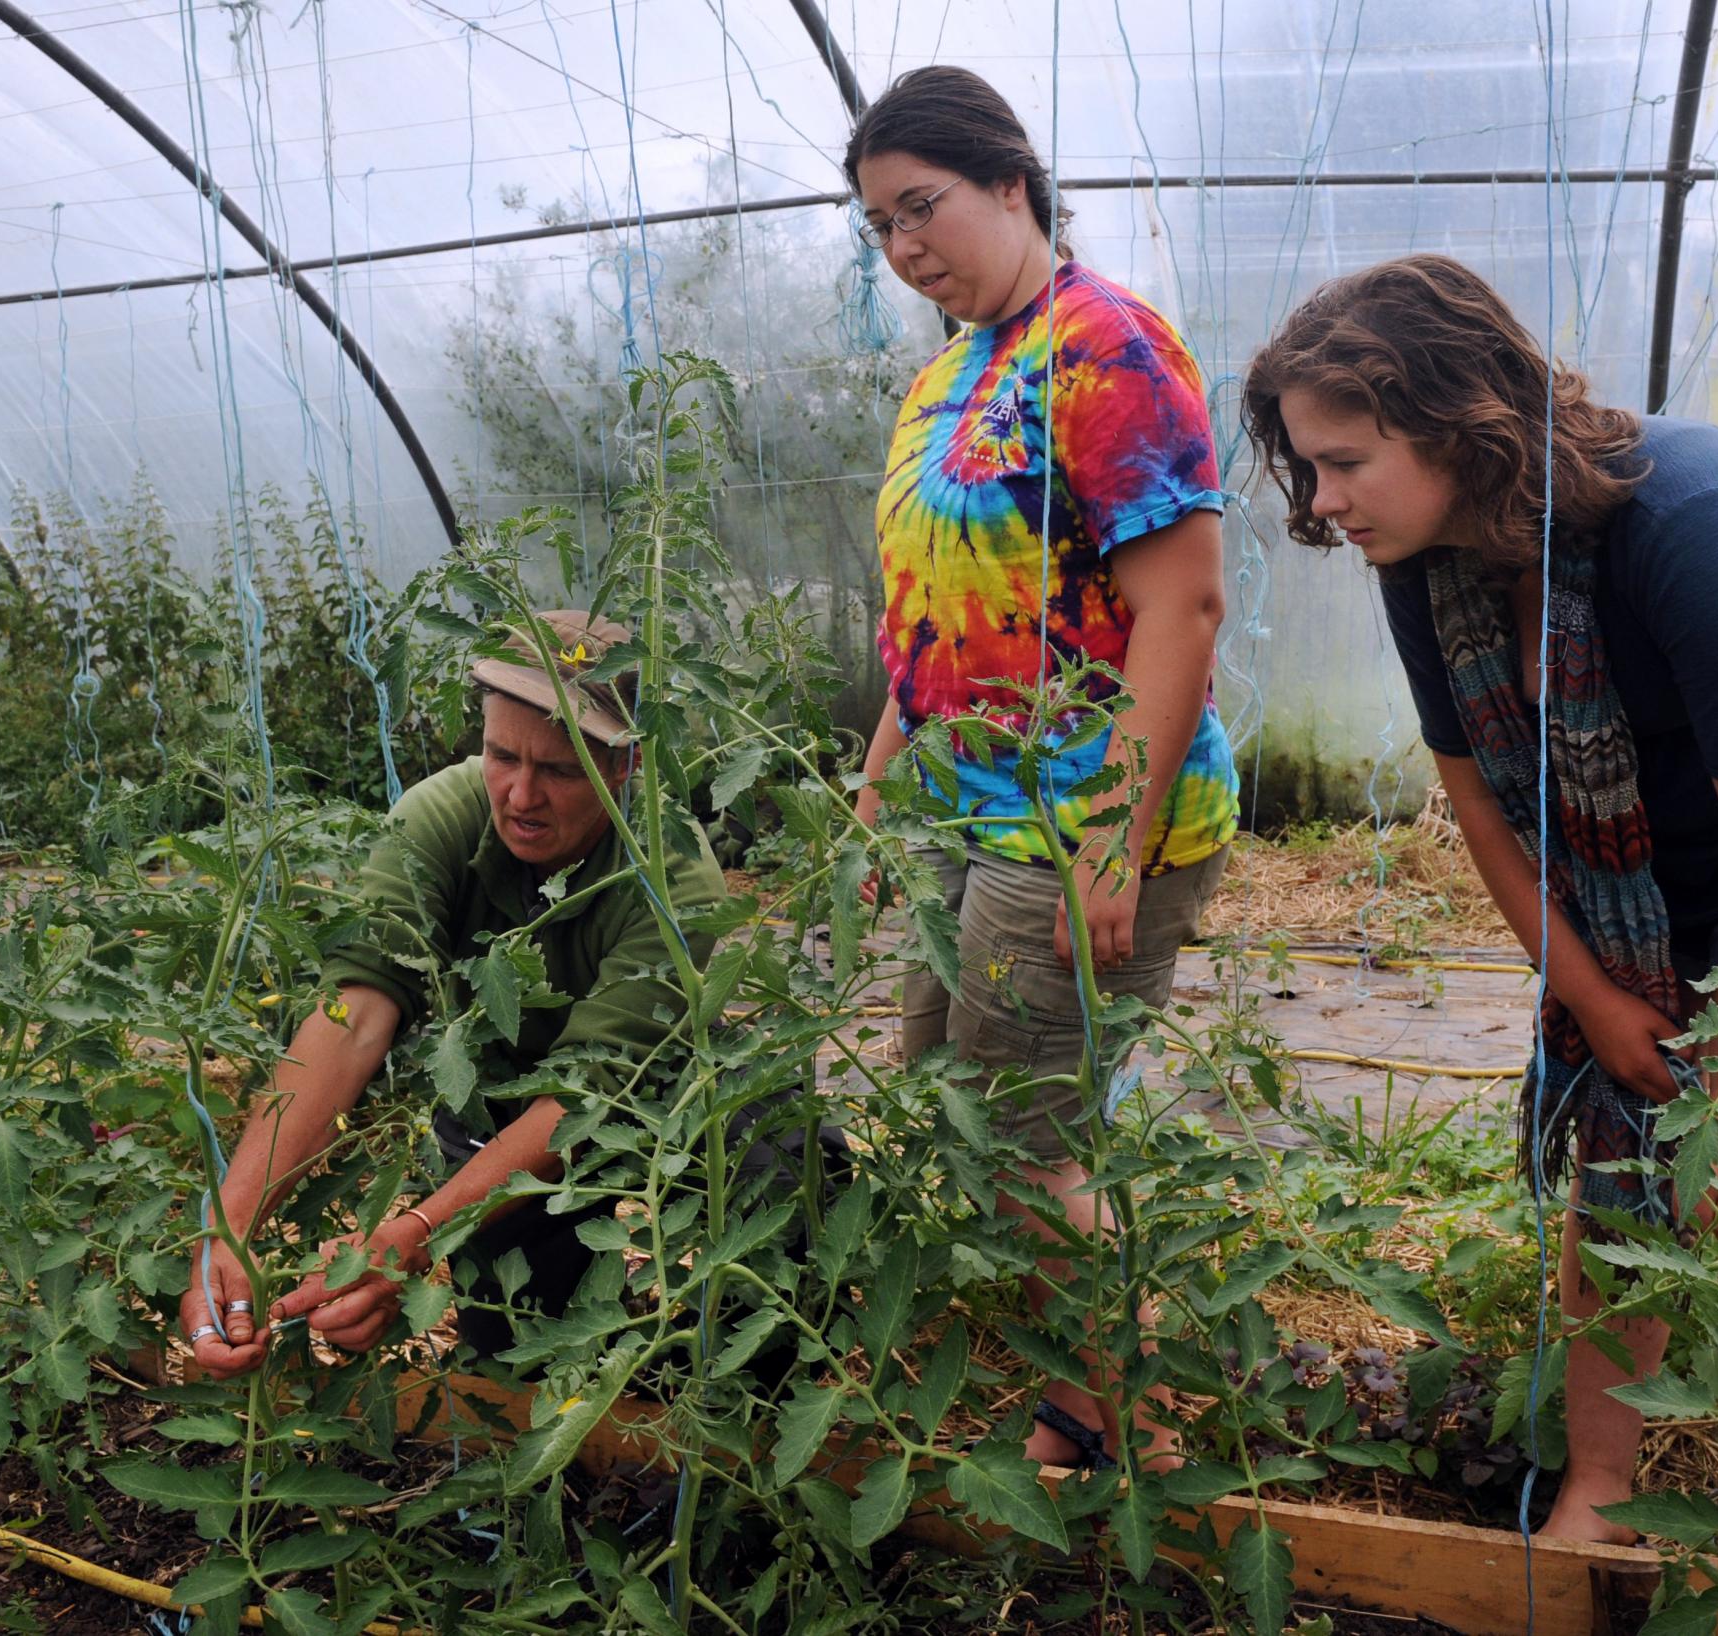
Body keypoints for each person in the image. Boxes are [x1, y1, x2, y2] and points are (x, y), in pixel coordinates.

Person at [1241, 255, 1718, 1544]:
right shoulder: (1428, 561)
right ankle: (1601, 1487)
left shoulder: (1687, 524)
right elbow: (1476, 802)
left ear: (1462, 421)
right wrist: (1596, 999)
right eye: (1307, 466)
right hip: (1651, 846)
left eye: (1344, 459)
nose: (1322, 498)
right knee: (1621, 1141)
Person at [842, 66, 1239, 1471]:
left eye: (924, 206)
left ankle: (1115, 1415)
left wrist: (1114, 839)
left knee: (1023, 1127)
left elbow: (1180, 606)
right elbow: (930, 613)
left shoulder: (1104, 349)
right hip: (962, 809)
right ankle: (1078, 1359)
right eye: (881, 224)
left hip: (1074, 816)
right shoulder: (950, 375)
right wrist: (880, 775)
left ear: (1013, 183)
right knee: (953, 1081)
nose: (904, 246)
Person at [176, 612, 729, 1380]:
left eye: (561, 771)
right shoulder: (440, 818)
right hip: (507, 1102)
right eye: (501, 756)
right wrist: (228, 1227)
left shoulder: (675, 880)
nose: (521, 795)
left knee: (776, 1163)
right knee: (523, 1353)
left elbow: (587, 1098)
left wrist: (421, 1235)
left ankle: (733, 1379)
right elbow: (357, 1014)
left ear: (626, 762)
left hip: (663, 1096)